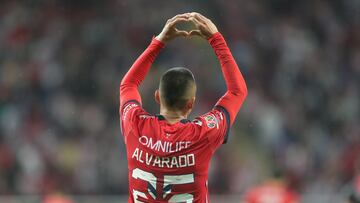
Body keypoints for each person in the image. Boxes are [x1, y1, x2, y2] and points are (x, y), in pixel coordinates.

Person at [119, 12, 247, 203]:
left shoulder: (135, 124)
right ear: (191, 103)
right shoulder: (203, 133)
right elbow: (237, 91)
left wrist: (159, 42)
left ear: (157, 97)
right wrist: (216, 39)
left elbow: (128, 85)